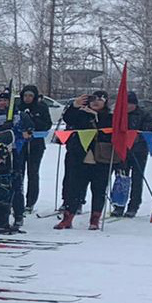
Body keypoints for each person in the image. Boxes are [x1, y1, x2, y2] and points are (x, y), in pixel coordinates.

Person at [56, 92, 114, 229]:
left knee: (99, 189)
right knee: (74, 189)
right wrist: (74, 106)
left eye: (100, 100)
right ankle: (68, 218)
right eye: (93, 99)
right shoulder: (80, 114)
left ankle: (95, 219)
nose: (96, 102)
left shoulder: (109, 117)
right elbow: (68, 119)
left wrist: (96, 117)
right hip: (79, 158)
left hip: (101, 159)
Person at [117, 91, 152, 218]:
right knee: (122, 178)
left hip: (139, 151)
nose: (127, 106)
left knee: (137, 178)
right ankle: (119, 204)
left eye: (130, 104)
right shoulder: (119, 115)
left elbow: (147, 133)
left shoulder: (144, 115)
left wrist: (133, 140)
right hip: (123, 151)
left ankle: (134, 205)